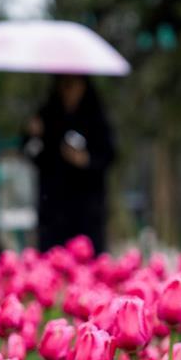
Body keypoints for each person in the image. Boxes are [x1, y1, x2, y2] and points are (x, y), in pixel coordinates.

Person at [23, 75, 115, 254]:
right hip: (54, 206)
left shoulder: (95, 117)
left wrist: (85, 160)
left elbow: (109, 155)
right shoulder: (46, 116)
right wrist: (33, 136)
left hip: (87, 208)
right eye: (65, 85)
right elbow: (32, 154)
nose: (69, 91)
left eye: (73, 85)